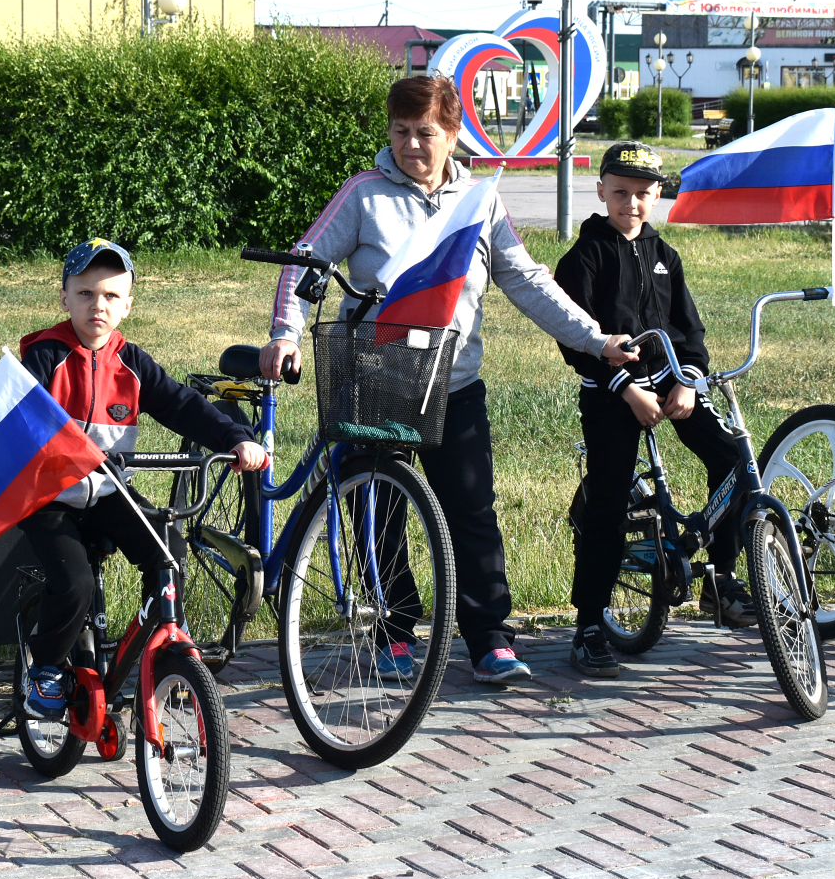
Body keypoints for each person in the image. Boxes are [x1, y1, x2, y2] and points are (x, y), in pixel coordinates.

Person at [259, 75, 637, 684]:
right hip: (376, 374)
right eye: (401, 132)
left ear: (454, 135)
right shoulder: (363, 196)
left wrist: (597, 339)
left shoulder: (480, 201)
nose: (412, 145)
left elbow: (527, 279)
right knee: (377, 509)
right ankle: (394, 630)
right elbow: (305, 265)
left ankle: (489, 636)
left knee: (471, 511)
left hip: (453, 383)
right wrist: (286, 334)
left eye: (426, 133)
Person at [15, 239, 267, 719]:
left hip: (109, 491)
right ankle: (44, 667)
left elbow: (181, 405)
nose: (98, 305)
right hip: (50, 497)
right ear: (64, 298)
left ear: (128, 305)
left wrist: (234, 439)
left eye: (111, 296)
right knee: (75, 583)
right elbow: (17, 418)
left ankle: (166, 645)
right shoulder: (46, 356)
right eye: (86, 294)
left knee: (166, 550)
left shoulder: (131, 362)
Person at [553, 142, 755, 679]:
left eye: (643, 193)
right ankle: (591, 624)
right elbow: (575, 341)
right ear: (601, 191)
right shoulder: (584, 257)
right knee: (609, 501)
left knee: (735, 460)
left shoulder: (666, 255)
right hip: (610, 392)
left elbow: (689, 332)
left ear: (658, 195)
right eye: (621, 193)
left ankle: (720, 576)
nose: (632, 204)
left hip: (669, 385)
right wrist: (625, 388)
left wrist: (687, 381)